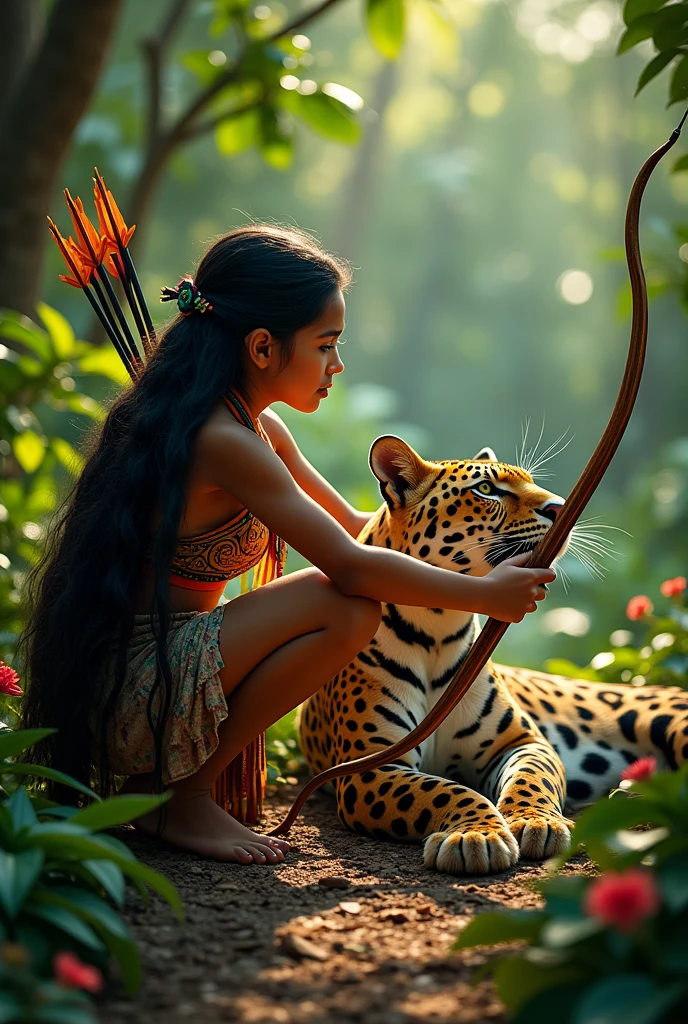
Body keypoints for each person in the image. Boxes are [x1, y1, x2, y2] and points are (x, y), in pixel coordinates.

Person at [19, 224, 555, 865]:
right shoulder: (223, 441)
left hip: (176, 674)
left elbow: (363, 524)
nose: (338, 365)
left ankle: (176, 790)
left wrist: (487, 532)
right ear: (264, 347)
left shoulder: (256, 426)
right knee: (346, 604)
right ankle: (178, 797)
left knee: (351, 599)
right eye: (326, 345)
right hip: (137, 695)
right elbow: (354, 565)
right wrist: (483, 594)